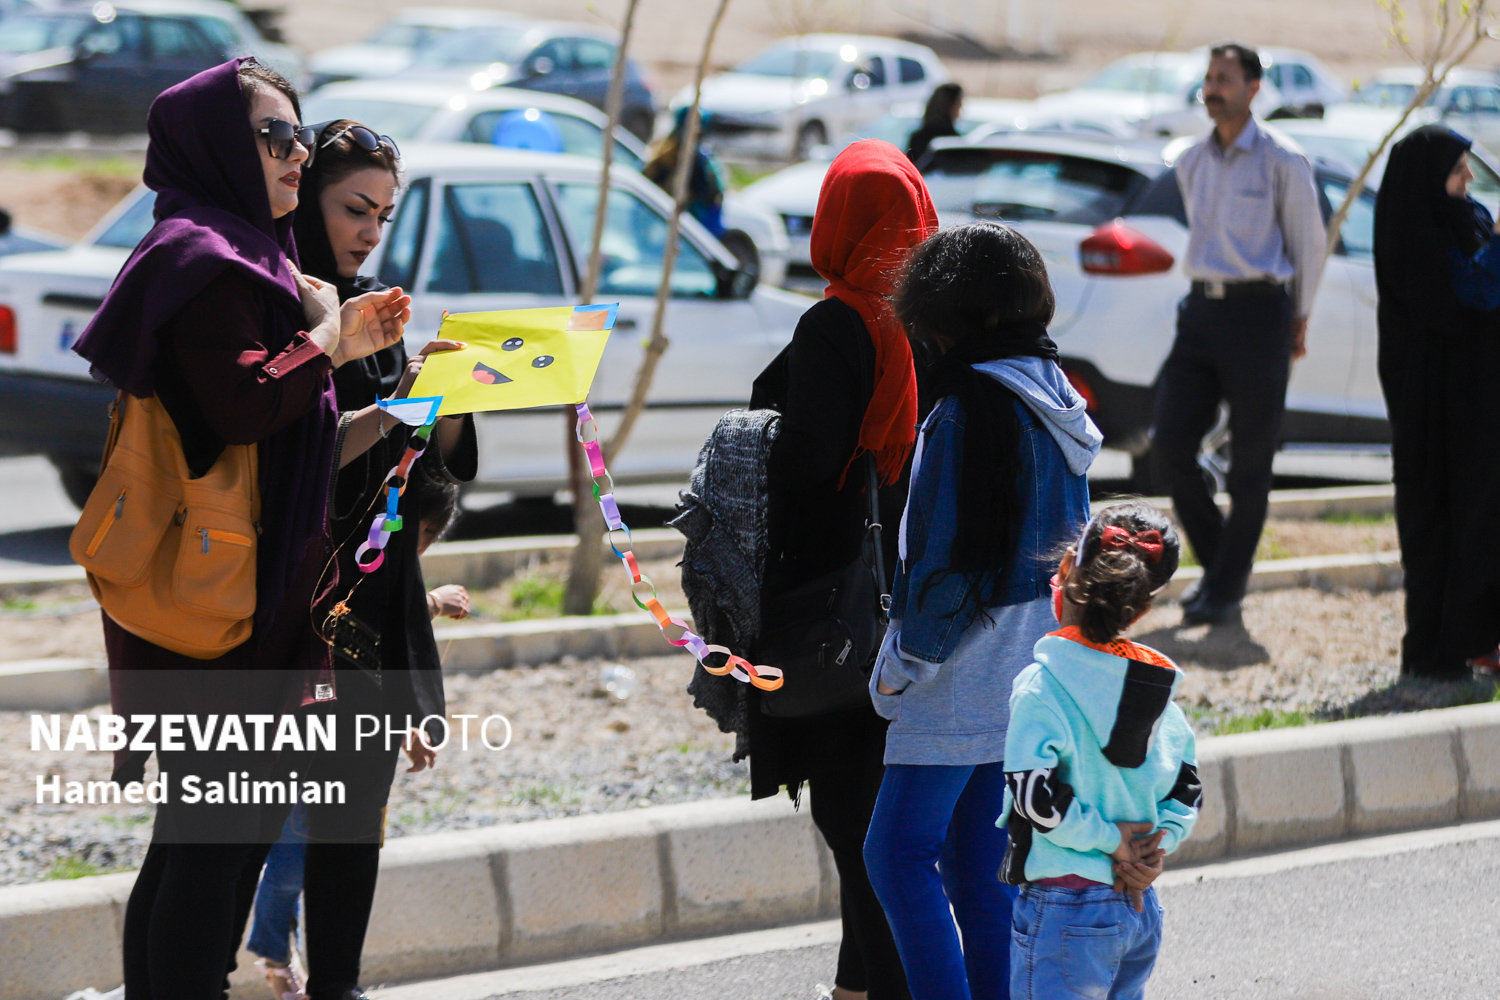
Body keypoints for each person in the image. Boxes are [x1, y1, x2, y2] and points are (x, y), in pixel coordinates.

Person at [70, 58, 411, 1000]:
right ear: (218, 143)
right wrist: (331, 336)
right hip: (212, 600)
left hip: (252, 592)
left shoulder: (252, 256)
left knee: (209, 838)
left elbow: (295, 440)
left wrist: (370, 369)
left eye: (298, 133)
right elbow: (242, 406)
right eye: (273, 136)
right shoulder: (199, 258)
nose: (297, 153)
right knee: (210, 842)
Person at [230, 117, 478, 1000]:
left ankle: (338, 986)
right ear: (305, 202)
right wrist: (399, 403)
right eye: (354, 209)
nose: (371, 231)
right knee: (250, 827)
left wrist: (449, 396)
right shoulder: (280, 310)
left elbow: (429, 469)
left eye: (383, 214)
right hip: (287, 607)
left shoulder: (375, 309)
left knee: (351, 827)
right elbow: (297, 462)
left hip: (373, 608)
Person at [862, 221, 1101, 1000]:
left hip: (960, 667)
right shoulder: (1056, 396)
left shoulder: (964, 411)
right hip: (1032, 661)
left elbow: (945, 566)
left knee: (895, 853)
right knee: (977, 864)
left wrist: (901, 667)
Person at [741, 139, 935, 1000]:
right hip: (913, 603)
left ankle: (882, 987)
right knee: (882, 822)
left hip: (837, 608)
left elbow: (810, 462)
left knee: (854, 823)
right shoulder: (931, 326)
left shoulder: (837, 325)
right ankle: (856, 988)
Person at [247, 475, 470, 1000]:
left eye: (430, 536)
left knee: (306, 849)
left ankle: (286, 957)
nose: (420, 546)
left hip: (341, 725)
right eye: (423, 533)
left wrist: (404, 722)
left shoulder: (384, 557)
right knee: (292, 851)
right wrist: (430, 603)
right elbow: (351, 631)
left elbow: (378, 659)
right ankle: (275, 953)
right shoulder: (353, 547)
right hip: (303, 723)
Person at [1149, 42, 1326, 627]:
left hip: (1260, 315)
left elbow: (1308, 246)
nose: (1212, 89)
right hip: (1201, 313)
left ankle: (1223, 591)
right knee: (1169, 444)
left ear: (1253, 88)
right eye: (1208, 78)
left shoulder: (1283, 160)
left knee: (1251, 462)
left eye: (1224, 78)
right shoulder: (1191, 160)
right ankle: (1223, 564)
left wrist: (1299, 317)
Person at [1001, 501, 1201, 1000]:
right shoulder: (1158, 691)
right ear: (1143, 608)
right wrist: (1153, 848)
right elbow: (1186, 788)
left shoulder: (1041, 686)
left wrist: (1111, 841)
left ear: (1067, 567)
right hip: (1135, 902)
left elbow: (1034, 797)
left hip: (1062, 908)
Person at [1373, 125, 1500, 678]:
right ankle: (1438, 651)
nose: (1469, 176)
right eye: (1456, 168)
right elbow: (1470, 294)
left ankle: (1481, 639)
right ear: (1428, 179)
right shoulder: (1414, 235)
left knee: (1484, 518)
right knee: (1438, 523)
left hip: (1478, 404)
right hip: (1432, 413)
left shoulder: (1466, 219)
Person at [644, 106, 728, 237]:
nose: (697, 130)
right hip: (674, 228)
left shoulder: (698, 160)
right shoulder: (669, 156)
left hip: (680, 228)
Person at [905, 83, 962, 163]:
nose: (961, 107)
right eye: (959, 103)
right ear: (949, 106)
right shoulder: (953, 141)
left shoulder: (917, 138)